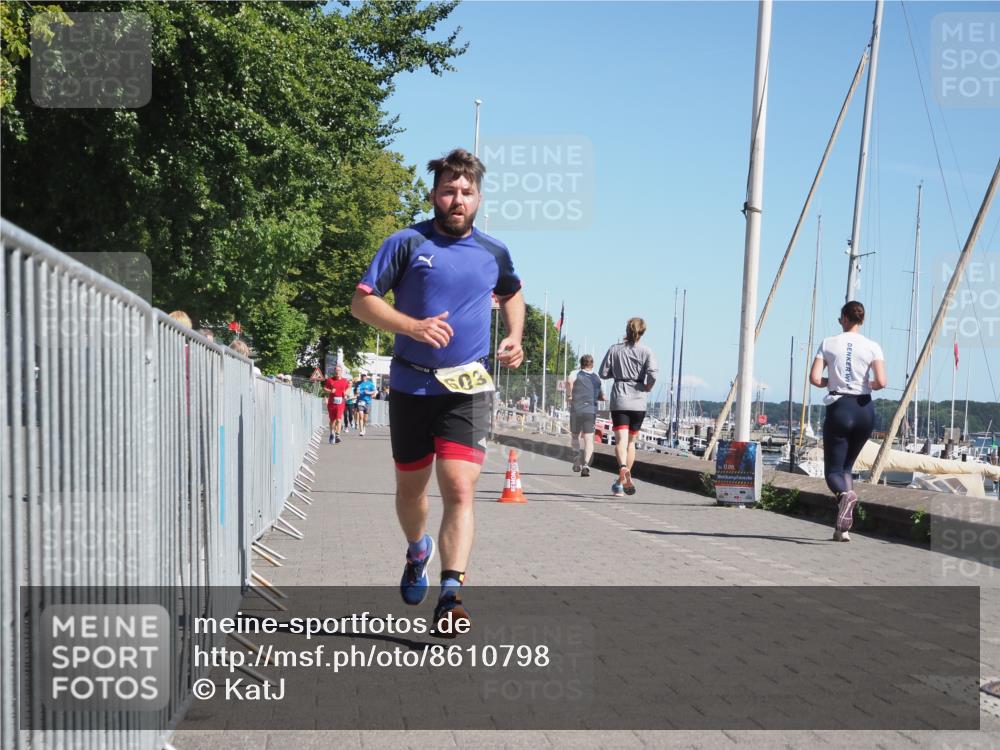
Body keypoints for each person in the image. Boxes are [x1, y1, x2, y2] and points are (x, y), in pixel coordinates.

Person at [351, 147, 524, 636]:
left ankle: (451, 596)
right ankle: (417, 550)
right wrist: (413, 326)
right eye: (449, 190)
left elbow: (512, 291)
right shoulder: (405, 243)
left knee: (460, 487)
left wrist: (515, 336)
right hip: (410, 383)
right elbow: (361, 304)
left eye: (466, 192)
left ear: (479, 199)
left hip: (467, 387)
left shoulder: (493, 251)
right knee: (411, 491)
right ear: (434, 195)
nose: (457, 199)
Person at [810, 300, 887, 542]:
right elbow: (882, 382)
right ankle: (842, 530)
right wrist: (866, 385)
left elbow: (814, 378)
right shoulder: (873, 346)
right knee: (847, 467)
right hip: (865, 409)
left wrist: (831, 383)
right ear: (861, 320)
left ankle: (845, 495)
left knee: (833, 470)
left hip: (840, 407)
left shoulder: (828, 343)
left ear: (844, 318)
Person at [599, 317, 658, 497]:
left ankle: (622, 471)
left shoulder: (614, 349)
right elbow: (653, 374)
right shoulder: (647, 351)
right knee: (631, 443)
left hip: (619, 399)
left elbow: (602, 372)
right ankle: (620, 482)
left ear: (627, 330)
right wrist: (647, 386)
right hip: (638, 399)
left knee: (620, 441)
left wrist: (617, 372)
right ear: (643, 332)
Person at [566, 354, 605, 477]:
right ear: (592, 365)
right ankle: (586, 464)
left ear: (581, 364)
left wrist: (570, 395)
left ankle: (577, 457)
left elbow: (568, 381)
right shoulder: (597, 377)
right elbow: (603, 397)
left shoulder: (575, 373)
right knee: (589, 439)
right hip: (590, 411)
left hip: (576, 409)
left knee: (575, 436)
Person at [323, 364, 351, 444]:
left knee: (339, 419)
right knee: (332, 420)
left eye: (339, 370)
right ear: (334, 371)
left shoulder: (345, 381)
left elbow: (348, 388)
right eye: (336, 370)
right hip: (332, 403)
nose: (337, 372)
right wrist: (330, 391)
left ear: (341, 372)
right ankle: (332, 433)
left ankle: (338, 435)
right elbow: (325, 388)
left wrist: (346, 393)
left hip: (341, 402)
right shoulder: (330, 380)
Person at [355, 371, 377, 436]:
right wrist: (357, 392)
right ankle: (361, 430)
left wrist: (369, 393)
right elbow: (355, 392)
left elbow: (374, 391)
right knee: (361, 416)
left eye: (364, 376)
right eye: (362, 376)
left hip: (367, 401)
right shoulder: (358, 383)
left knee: (365, 418)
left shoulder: (370, 383)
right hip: (360, 401)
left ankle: (364, 427)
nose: (363, 377)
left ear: (366, 377)